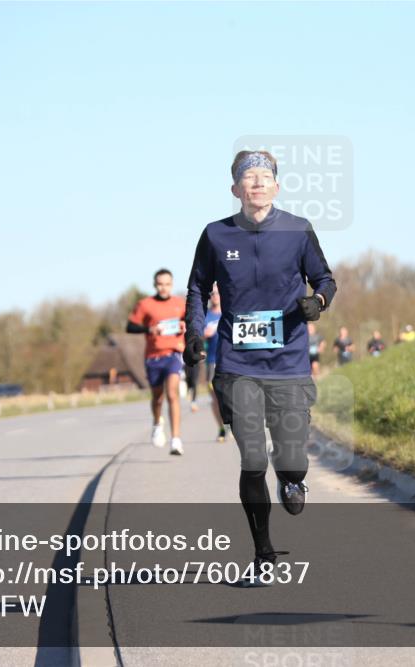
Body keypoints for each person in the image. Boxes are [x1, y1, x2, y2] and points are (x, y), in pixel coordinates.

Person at [183, 150, 336, 580]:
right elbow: (197, 287)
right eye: (248, 177)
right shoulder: (215, 235)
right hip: (237, 365)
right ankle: (263, 553)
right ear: (235, 189)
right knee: (252, 459)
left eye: (265, 176)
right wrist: (193, 333)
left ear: (277, 186)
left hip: (288, 361)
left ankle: (293, 478)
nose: (257, 183)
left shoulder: (297, 230)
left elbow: (325, 279)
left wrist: (317, 301)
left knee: (291, 460)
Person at [126, 268, 186, 455]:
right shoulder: (145, 304)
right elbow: (130, 326)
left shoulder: (180, 304)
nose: (163, 288)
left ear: (172, 285)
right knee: (157, 397)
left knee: (172, 394)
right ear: (155, 285)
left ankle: (176, 440)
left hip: (174, 353)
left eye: (167, 284)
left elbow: (191, 321)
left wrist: (186, 325)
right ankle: (157, 423)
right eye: (160, 284)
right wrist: (149, 329)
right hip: (153, 356)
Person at [203, 285, 227, 442]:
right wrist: (204, 335)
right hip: (212, 361)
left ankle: (233, 421)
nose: (215, 296)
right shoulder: (206, 316)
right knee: (215, 398)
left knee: (232, 395)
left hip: (230, 360)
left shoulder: (229, 312)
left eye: (218, 293)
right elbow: (197, 335)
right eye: (212, 293)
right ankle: (221, 428)